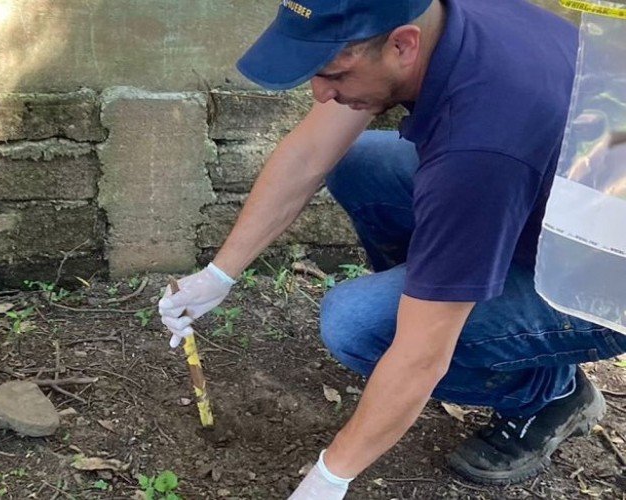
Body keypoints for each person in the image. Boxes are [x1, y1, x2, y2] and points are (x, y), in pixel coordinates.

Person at [157, 0, 626, 497]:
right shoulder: (439, 15)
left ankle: (551, 392)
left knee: (359, 327)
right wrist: (220, 273)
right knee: (362, 163)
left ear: (403, 44)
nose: (319, 92)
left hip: (602, 282)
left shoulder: (479, 151)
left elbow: (422, 357)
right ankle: (463, 305)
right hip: (562, 204)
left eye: (334, 71)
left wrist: (329, 477)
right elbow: (309, 154)